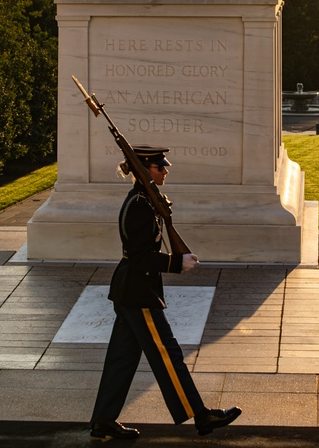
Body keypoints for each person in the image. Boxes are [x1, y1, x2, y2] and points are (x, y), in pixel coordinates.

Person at [90, 145, 242, 441]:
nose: (165, 171)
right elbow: (140, 256)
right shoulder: (139, 206)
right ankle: (201, 415)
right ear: (145, 170)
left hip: (132, 290)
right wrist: (175, 262)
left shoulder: (145, 201)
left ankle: (103, 422)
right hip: (138, 292)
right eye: (160, 167)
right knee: (167, 355)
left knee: (122, 359)